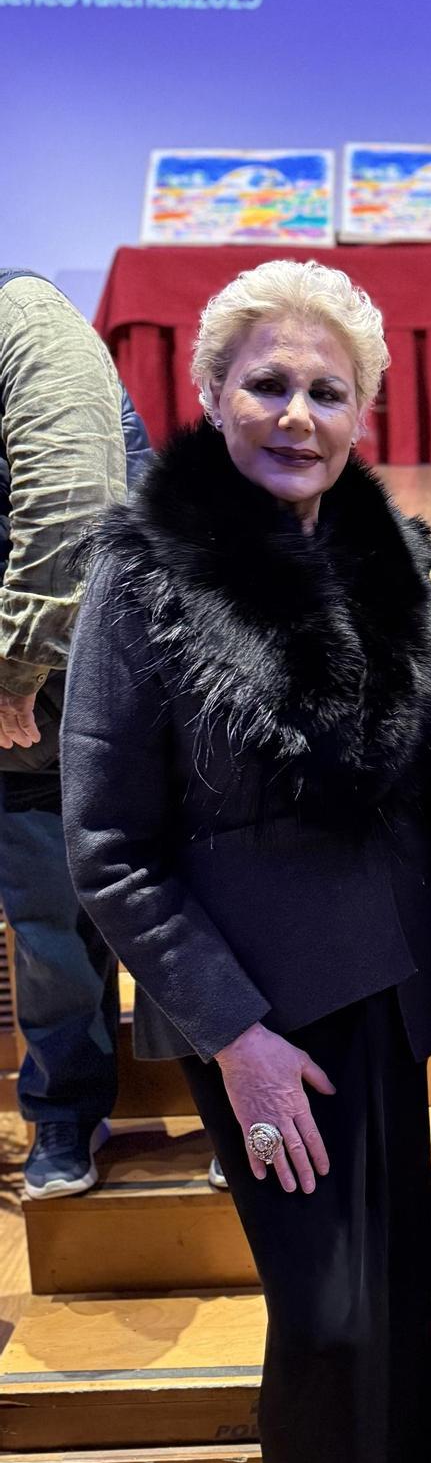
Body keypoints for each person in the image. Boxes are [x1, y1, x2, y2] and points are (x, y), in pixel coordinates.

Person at [61, 259, 431, 1463]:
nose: (297, 414)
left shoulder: (388, 557)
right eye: (267, 384)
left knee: (389, 1313)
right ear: (209, 391)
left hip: (389, 1000)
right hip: (264, 1022)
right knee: (331, 1318)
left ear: (365, 412)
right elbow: (110, 848)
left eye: (327, 391)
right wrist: (234, 1041)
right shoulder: (146, 569)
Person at [0, 267, 152, 1197]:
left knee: (178, 901)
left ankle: (230, 1100)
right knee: (48, 922)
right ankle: (65, 1115)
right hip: (17, 719)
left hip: (109, 669)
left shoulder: (21, 315)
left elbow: (71, 498)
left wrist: (13, 667)